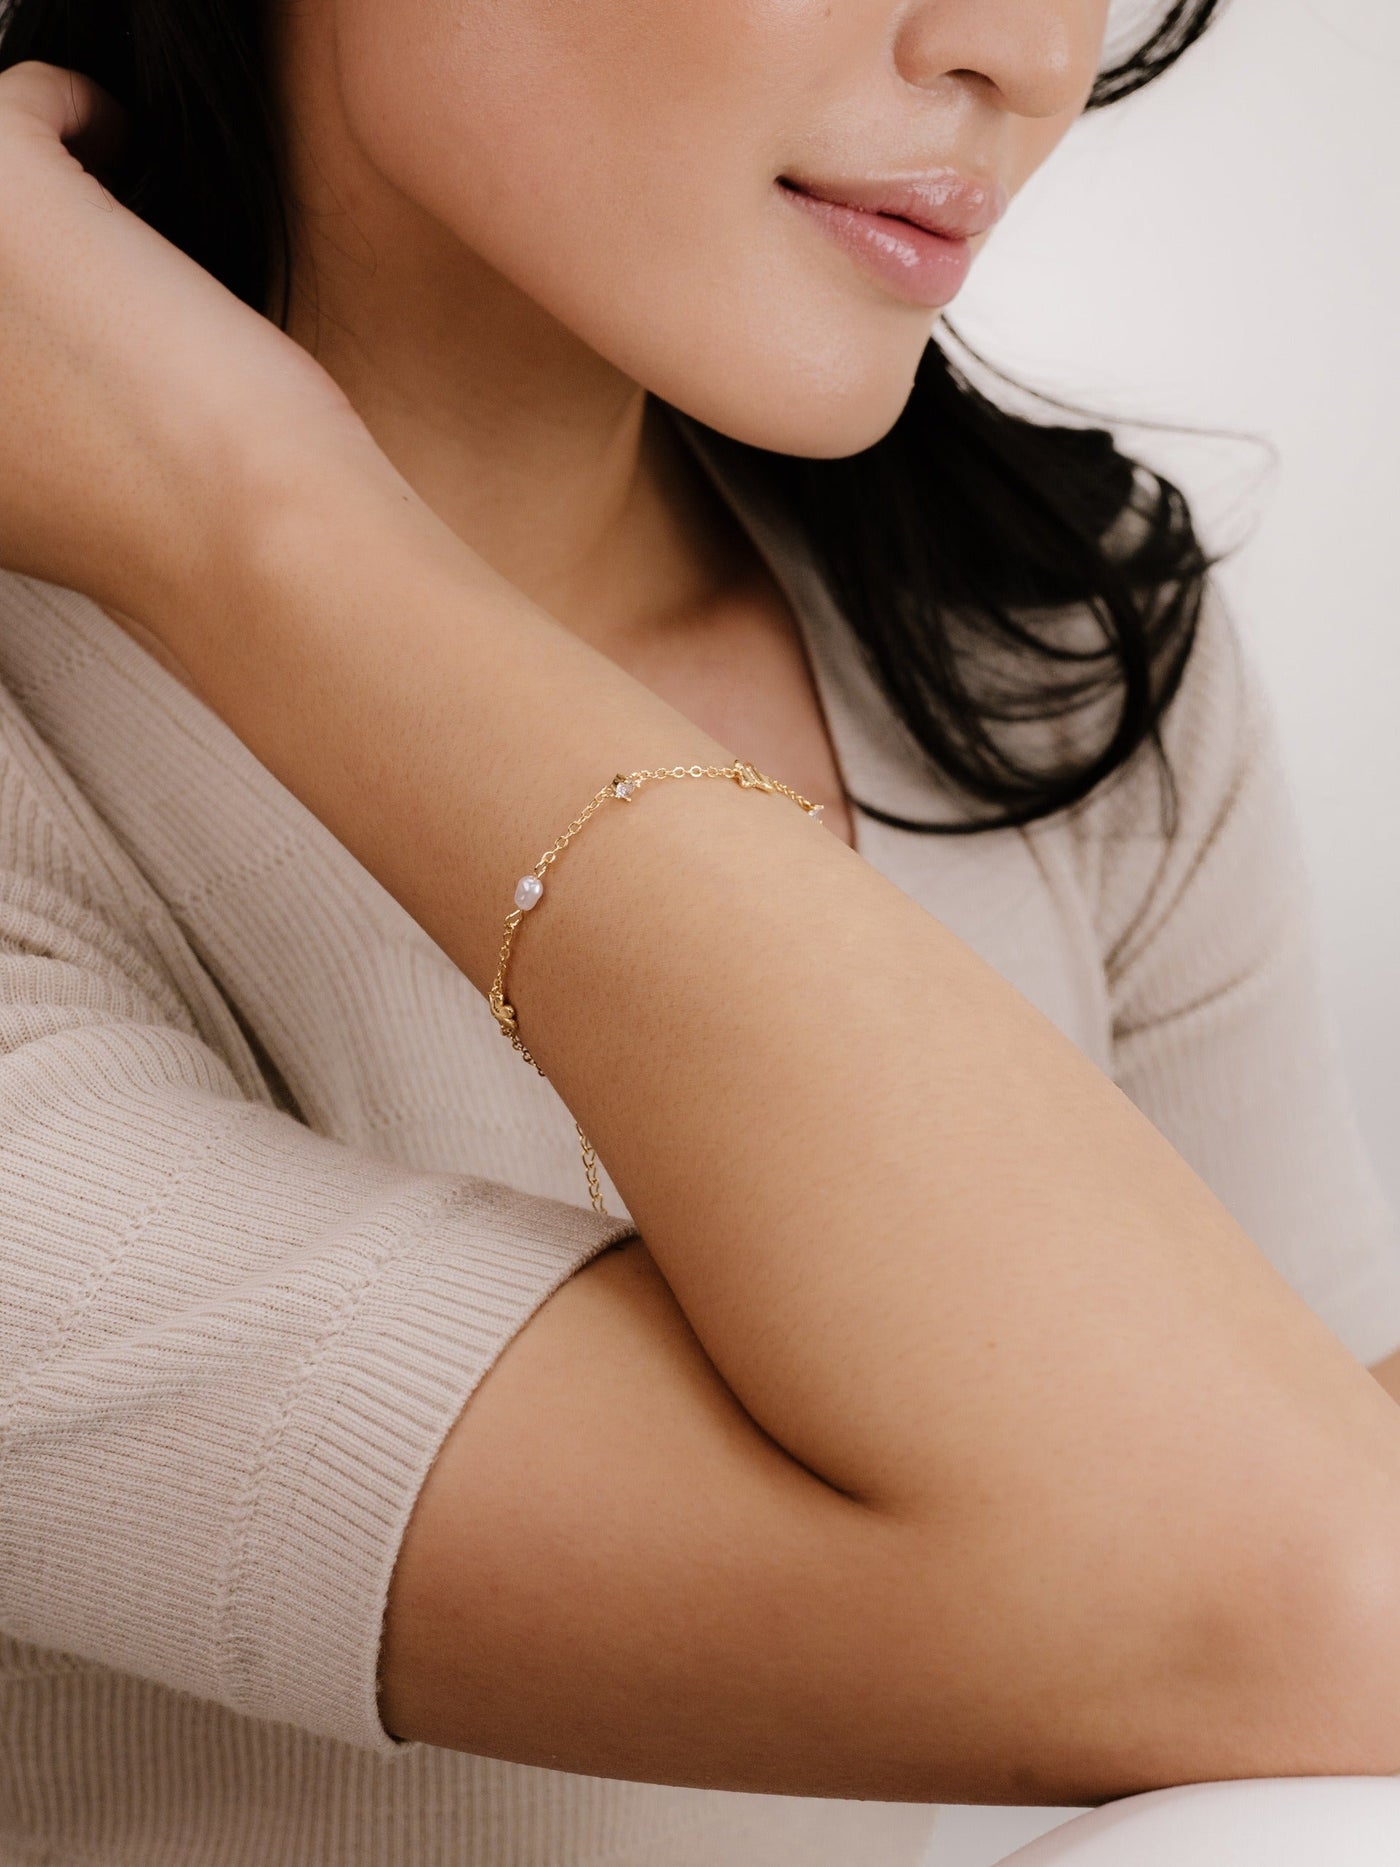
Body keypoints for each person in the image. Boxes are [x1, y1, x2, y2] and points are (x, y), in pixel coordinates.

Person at [0, 4, 1399, 1865]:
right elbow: (1305, 1611)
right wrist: (251, 520)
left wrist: (273, 519)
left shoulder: (1039, 655)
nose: (1032, 56)